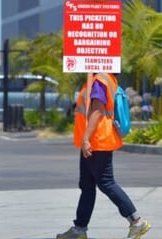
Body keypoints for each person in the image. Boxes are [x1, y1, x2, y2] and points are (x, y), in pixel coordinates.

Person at [57, 73, 150, 239]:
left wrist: (86, 138)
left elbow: (98, 110)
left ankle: (136, 221)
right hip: (94, 140)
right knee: (86, 185)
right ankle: (80, 228)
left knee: (106, 182)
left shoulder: (100, 80)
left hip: (97, 140)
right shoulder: (99, 78)